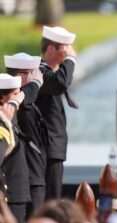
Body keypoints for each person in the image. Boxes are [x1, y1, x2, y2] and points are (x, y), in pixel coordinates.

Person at [35, 26, 77, 199]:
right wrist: (71, 60)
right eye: (64, 49)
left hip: (52, 148)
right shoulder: (36, 71)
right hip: (47, 147)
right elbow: (60, 83)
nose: (68, 53)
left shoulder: (46, 72)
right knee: (50, 200)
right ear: (51, 49)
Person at [4, 52, 48, 216]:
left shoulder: (23, 101)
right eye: (33, 72)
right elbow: (26, 94)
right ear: (20, 77)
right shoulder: (16, 104)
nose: (38, 76)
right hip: (28, 181)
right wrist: (35, 83)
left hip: (34, 177)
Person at [0, 73, 30, 223]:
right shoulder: (3, 124)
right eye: (16, 94)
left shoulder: (10, 119)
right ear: (4, 99)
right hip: (9, 196)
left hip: (15, 196)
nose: (20, 98)